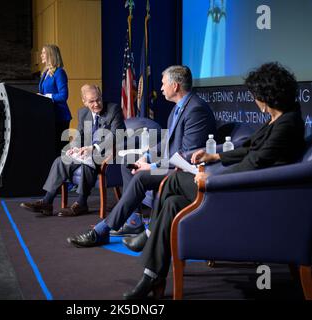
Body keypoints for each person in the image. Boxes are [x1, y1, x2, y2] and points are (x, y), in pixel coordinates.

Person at [123, 62, 306, 299]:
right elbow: (249, 148)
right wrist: (216, 156)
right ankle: (151, 276)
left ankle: (149, 236)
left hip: (249, 199)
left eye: (256, 95)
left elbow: (255, 163)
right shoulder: (280, 119)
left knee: (174, 181)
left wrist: (213, 179)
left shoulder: (287, 124)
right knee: (172, 204)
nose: (255, 100)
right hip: (246, 191)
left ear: (267, 95)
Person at [67, 65, 216, 248]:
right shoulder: (180, 107)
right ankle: (133, 221)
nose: (161, 88)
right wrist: (146, 156)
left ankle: (102, 230)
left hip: (185, 171)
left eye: (163, 84)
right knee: (128, 162)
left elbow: (187, 155)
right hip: (173, 163)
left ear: (175, 86)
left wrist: (152, 167)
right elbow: (167, 143)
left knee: (141, 177)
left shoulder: (195, 110)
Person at [20, 84, 125, 217]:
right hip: (85, 152)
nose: (96, 104)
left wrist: (93, 148)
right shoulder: (83, 113)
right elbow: (79, 136)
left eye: (98, 99)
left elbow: (117, 135)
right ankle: (47, 202)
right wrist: (73, 148)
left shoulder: (113, 109)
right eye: (91, 101)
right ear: (84, 101)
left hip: (106, 153)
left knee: (88, 162)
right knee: (61, 160)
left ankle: (81, 204)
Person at [38, 44, 72, 153]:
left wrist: (46, 96)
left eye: (44, 53)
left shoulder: (59, 72)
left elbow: (63, 96)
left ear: (51, 55)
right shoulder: (45, 73)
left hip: (60, 116)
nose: (41, 55)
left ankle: (62, 169)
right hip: (49, 115)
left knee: (60, 149)